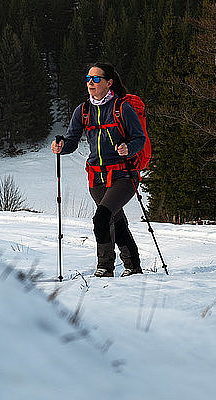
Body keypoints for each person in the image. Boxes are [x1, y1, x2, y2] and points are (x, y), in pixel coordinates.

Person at [51, 62, 146, 277]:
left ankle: (105, 266)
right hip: (97, 178)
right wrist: (61, 146)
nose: (90, 83)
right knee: (116, 220)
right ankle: (133, 266)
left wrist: (128, 148)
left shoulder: (122, 108)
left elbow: (140, 139)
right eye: (88, 79)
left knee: (102, 218)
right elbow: (72, 141)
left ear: (108, 83)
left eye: (96, 79)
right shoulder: (83, 110)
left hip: (123, 176)